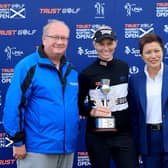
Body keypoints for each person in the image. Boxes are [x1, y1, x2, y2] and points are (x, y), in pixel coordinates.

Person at [3, 19, 79, 168]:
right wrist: (17, 141)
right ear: (44, 39)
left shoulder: (71, 71)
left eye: (64, 38)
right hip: (37, 150)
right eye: (55, 37)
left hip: (66, 149)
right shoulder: (28, 66)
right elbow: (14, 105)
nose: (59, 41)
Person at [78, 25, 139, 168]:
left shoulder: (124, 66)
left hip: (123, 135)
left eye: (109, 43)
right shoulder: (86, 74)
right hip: (97, 137)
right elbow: (79, 106)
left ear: (116, 43)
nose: (106, 48)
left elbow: (130, 99)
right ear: (94, 44)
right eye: (101, 44)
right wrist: (91, 111)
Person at [129, 33, 168, 168]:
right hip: (148, 139)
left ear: (163, 51)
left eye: (157, 51)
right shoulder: (135, 81)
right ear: (141, 56)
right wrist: (137, 143)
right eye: (148, 52)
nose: (153, 56)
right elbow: (134, 115)